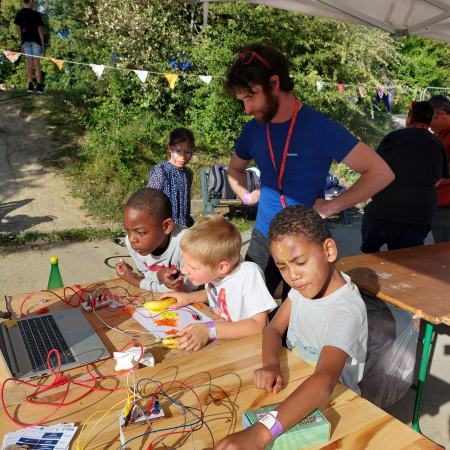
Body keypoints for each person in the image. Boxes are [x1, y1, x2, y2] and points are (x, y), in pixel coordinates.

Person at [224, 42, 394, 300]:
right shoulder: (253, 129)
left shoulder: (320, 127)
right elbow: (234, 170)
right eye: (242, 100)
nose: (247, 109)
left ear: (273, 83)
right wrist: (245, 196)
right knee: (247, 307)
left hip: (307, 240)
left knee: (298, 324)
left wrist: (331, 206)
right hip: (262, 235)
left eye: (250, 96)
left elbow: (381, 173)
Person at [213, 205, 367, 450]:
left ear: (328, 250)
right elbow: (273, 329)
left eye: (300, 262)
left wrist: (260, 434)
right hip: (294, 391)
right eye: (283, 267)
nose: (293, 276)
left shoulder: (345, 309)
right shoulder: (302, 288)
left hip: (333, 406)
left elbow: (325, 379)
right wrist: (271, 363)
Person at [158, 215, 277, 351]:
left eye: (193, 267)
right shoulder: (216, 271)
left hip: (249, 350)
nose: (184, 271)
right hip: (225, 345)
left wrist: (210, 330)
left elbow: (258, 326)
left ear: (221, 267)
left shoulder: (249, 274)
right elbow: (221, 294)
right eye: (185, 263)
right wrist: (189, 297)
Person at [361, 101, 449, 253]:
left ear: (409, 119)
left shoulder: (393, 137)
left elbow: (372, 169)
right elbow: (439, 179)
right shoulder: (437, 144)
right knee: (405, 259)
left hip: (384, 210)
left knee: (370, 255)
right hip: (419, 215)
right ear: (429, 121)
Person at [115, 188, 197, 293]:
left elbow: (185, 290)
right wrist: (159, 275)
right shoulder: (134, 243)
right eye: (127, 230)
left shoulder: (187, 244)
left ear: (166, 226)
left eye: (141, 233)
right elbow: (146, 273)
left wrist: (135, 280)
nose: (131, 239)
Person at [146, 128, 195, 227]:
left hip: (184, 225)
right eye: (178, 151)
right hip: (165, 226)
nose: (183, 156)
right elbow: (149, 200)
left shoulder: (188, 173)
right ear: (170, 148)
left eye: (188, 152)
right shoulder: (162, 171)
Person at [428, 95, 450, 243]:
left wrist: (430, 179)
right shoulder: (439, 134)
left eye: (431, 119)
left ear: (442, 114)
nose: (429, 125)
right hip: (438, 206)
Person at [14, 0, 45, 94]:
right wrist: (42, 43)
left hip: (25, 41)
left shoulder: (19, 13)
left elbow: (18, 29)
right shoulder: (36, 14)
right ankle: (39, 87)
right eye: (34, 2)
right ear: (30, 1)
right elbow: (40, 29)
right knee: (36, 63)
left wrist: (21, 43)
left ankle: (30, 87)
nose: (34, 4)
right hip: (36, 41)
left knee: (29, 63)